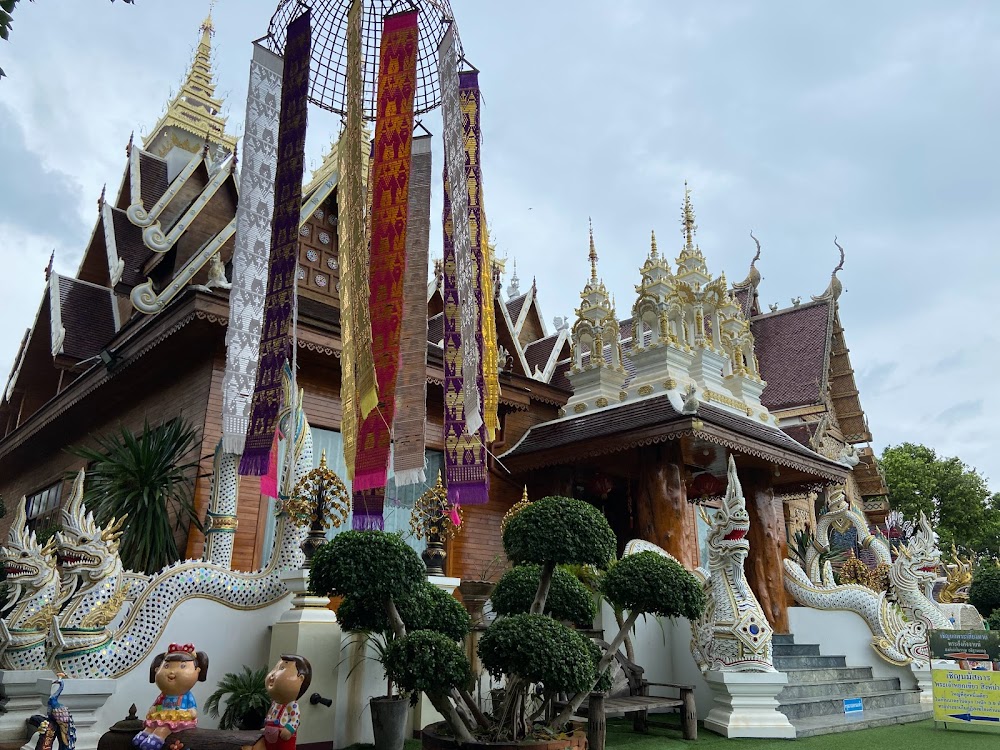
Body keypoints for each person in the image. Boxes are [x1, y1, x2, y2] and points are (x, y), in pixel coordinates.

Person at [133, 644, 210, 750]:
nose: (171, 672)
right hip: (162, 713)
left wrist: (192, 710)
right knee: (153, 725)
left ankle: (157, 739)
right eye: (166, 666)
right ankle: (146, 733)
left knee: (164, 727)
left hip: (178, 716)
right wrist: (154, 707)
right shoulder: (163, 696)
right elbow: (158, 703)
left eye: (183, 666)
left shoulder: (186, 695)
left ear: (197, 671)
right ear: (156, 669)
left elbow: (192, 706)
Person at [244, 655, 312, 750]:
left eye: (281, 668)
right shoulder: (275, 703)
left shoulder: (292, 705)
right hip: (269, 736)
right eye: (275, 668)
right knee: (263, 745)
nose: (273, 674)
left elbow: (295, 719)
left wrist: (289, 729)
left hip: (283, 740)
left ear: (300, 679)